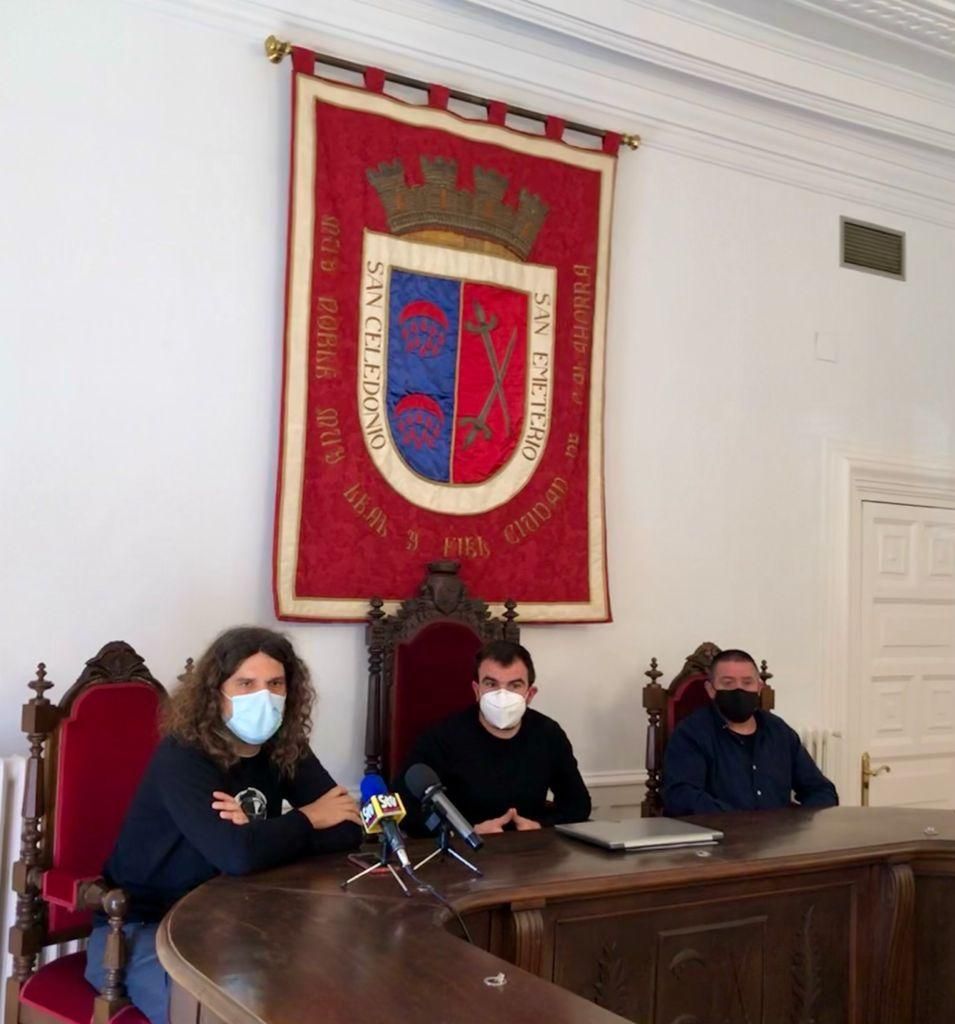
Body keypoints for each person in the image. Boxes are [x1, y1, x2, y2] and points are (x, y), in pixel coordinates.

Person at [85, 626, 363, 1024]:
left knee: (327, 986)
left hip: (235, 918)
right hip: (141, 928)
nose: (263, 696)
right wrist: (304, 820)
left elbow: (348, 828)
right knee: (220, 1014)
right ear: (215, 692)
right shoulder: (183, 755)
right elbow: (237, 855)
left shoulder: (285, 748)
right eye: (246, 684)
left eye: (275, 684)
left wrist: (258, 835)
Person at [396, 639, 591, 835]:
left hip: (531, 847)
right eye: (491, 684)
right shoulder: (441, 737)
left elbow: (578, 805)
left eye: (514, 685)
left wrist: (539, 826)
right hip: (463, 848)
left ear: (530, 694)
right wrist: (468, 831)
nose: (502, 695)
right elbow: (405, 809)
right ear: (477, 690)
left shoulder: (549, 734)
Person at [663, 648, 838, 816]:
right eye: (728, 683)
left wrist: (797, 822)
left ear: (759, 688)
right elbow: (681, 796)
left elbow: (821, 790)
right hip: (720, 833)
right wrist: (740, 822)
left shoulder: (779, 731)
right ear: (710, 689)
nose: (739, 689)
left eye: (747, 683)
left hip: (778, 834)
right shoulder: (691, 733)